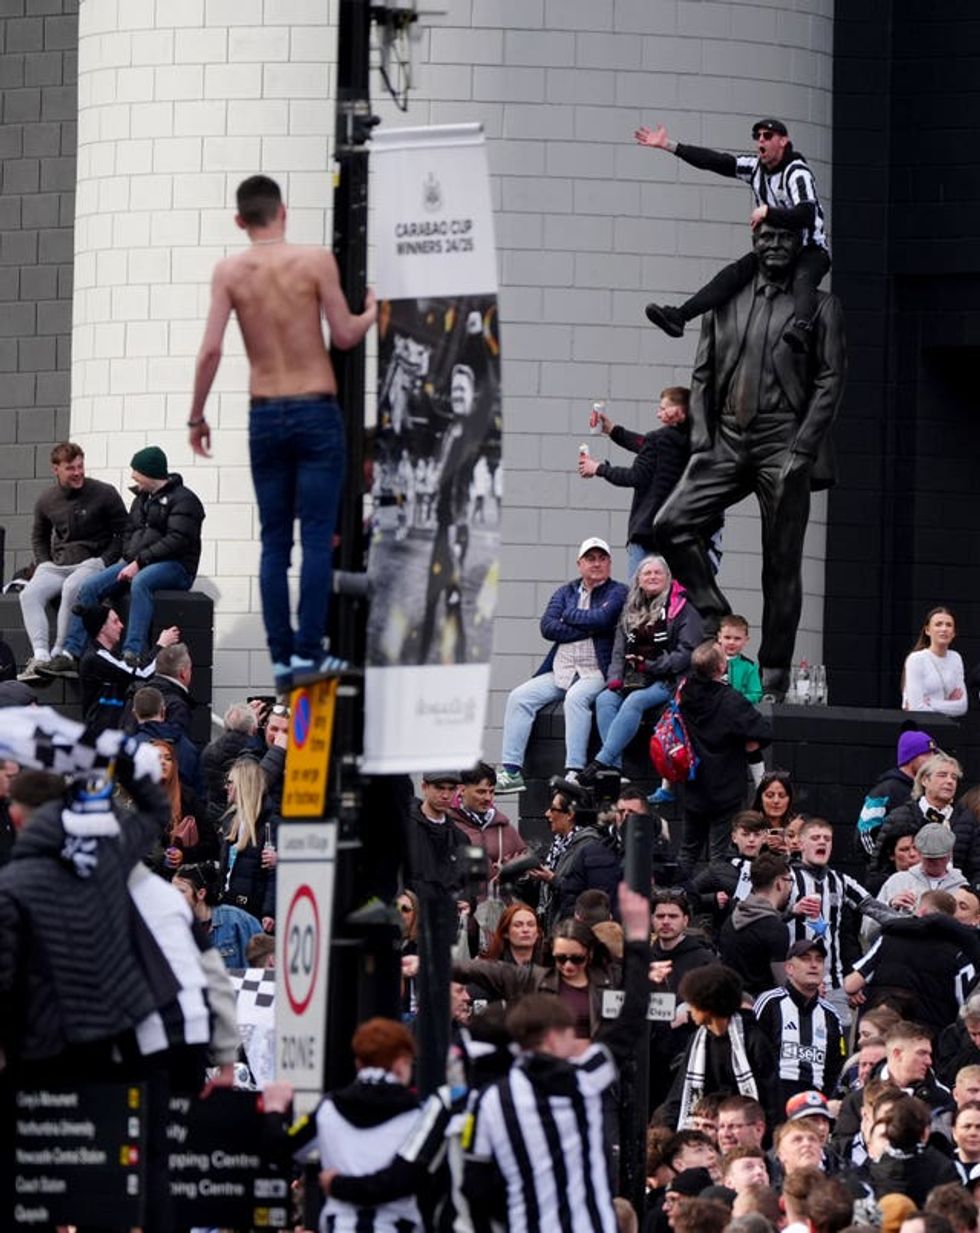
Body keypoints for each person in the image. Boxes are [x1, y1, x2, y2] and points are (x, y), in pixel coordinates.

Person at [188, 174, 377, 691]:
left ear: (239, 220)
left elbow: (210, 350)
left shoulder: (230, 271)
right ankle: (308, 653)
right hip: (316, 409)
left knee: (274, 543)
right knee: (316, 538)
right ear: (284, 211)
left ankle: (281, 659)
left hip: (265, 411)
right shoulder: (315, 260)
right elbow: (342, 334)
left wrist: (197, 415)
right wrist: (372, 313)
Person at [651, 221, 845, 702]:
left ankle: (774, 672)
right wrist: (702, 442)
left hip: (784, 441)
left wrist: (803, 448)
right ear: (754, 243)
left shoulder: (819, 306)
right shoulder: (725, 303)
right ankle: (715, 615)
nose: (775, 245)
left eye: (785, 237)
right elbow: (702, 376)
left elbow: (830, 379)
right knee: (670, 522)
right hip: (729, 440)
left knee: (780, 564)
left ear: (800, 245)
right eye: (767, 237)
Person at [461, 884, 655, 1233]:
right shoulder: (586, 1076)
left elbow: (474, 1181)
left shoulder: (491, 1099)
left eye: (575, 958)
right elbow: (631, 1020)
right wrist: (639, 937)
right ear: (552, 1037)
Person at [635, 117, 830, 351]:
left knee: (803, 278)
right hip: (774, 251)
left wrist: (768, 212)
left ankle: (802, 329)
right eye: (757, 137)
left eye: (767, 137)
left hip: (809, 250)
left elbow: (806, 214)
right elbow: (715, 161)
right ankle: (679, 317)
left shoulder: (797, 172)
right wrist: (670, 145)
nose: (761, 141)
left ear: (783, 141)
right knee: (733, 275)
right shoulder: (756, 168)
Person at [41, 446, 205, 674]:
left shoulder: (185, 501)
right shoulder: (141, 499)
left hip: (176, 567)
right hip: (138, 561)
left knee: (141, 582)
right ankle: (71, 652)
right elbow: (128, 532)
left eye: (136, 472)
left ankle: (133, 651)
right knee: (89, 587)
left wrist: (139, 563)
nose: (133, 477)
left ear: (149, 474)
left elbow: (177, 540)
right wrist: (129, 558)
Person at [496, 537, 628, 793]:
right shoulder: (565, 591)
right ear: (579, 563)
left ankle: (574, 770)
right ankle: (512, 771)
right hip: (562, 671)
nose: (597, 563)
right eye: (591, 558)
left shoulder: (618, 591)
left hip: (596, 671)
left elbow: (603, 618)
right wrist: (589, 628)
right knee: (518, 697)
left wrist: (569, 616)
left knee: (576, 698)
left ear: (610, 563)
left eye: (602, 558)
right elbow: (547, 627)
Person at [579, 555, 702, 781]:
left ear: (667, 578)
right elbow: (618, 650)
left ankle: (602, 761)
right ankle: (614, 769)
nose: (652, 577)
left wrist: (651, 666)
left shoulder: (682, 608)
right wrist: (614, 678)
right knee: (605, 699)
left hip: (668, 679)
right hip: (633, 676)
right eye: (647, 573)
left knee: (635, 701)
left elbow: (686, 653)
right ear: (639, 579)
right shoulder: (630, 609)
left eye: (658, 573)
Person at [17, 440, 128, 681]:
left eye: (80, 466)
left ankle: (60, 654)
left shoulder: (104, 493)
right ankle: (41, 656)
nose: (78, 473)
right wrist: (45, 562)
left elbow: (125, 532)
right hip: (57, 565)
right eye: (71, 468)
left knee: (71, 588)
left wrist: (106, 560)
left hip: (92, 562)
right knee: (28, 594)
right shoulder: (46, 500)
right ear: (55, 469)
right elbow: (38, 535)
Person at [305, 1017, 424, 1232]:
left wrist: (276, 1112)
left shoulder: (328, 1108)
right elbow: (402, 1180)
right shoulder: (418, 1115)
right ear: (400, 1064)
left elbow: (284, 1146)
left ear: (358, 1063)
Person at [784, 817, 897, 1026]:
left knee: (839, 1045)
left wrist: (914, 923)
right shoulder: (786, 877)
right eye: (815, 838)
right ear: (800, 844)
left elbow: (873, 908)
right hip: (793, 981)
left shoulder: (840, 880)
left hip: (833, 984)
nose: (822, 842)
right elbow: (764, 915)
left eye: (827, 838)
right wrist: (792, 910)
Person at [578, 388, 695, 578]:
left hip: (646, 531)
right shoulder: (694, 443)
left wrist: (598, 468)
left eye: (664, 409)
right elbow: (645, 445)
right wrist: (613, 431)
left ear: (680, 410)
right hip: (675, 534)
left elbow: (635, 476)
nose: (659, 414)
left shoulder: (658, 439)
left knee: (638, 599)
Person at [678, 641, 772, 864]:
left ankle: (678, 896)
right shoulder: (730, 700)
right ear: (721, 668)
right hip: (725, 786)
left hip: (692, 783)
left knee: (688, 851)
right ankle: (717, 898)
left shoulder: (683, 693)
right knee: (721, 855)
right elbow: (762, 732)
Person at [455, 917, 620, 1042]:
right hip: (553, 1071)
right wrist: (446, 968)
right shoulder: (539, 979)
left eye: (577, 959)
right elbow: (493, 971)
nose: (568, 965)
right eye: (561, 959)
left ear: (590, 954)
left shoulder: (611, 980)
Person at [656, 964, 781, 1129]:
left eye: (693, 1003)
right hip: (703, 1129)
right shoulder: (698, 1040)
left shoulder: (753, 1039)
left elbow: (771, 1096)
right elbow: (678, 1094)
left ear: (709, 1004)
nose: (690, 1009)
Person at [844, 890, 980, 1035]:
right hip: (927, 1043)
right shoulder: (958, 954)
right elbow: (964, 1007)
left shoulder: (889, 938)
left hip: (882, 1036)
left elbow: (850, 985)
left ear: (920, 910)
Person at [753, 939, 845, 1104]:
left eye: (819, 960)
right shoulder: (769, 1002)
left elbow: (835, 1066)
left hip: (815, 1103)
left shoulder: (831, 1014)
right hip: (774, 1101)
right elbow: (754, 1055)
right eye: (805, 959)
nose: (814, 965)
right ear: (789, 968)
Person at [72, 601, 180, 737]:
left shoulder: (110, 656)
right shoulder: (97, 657)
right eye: (115, 622)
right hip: (102, 737)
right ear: (102, 627)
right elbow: (143, 673)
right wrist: (161, 645)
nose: (121, 626)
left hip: (112, 734)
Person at [873, 755, 980, 884]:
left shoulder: (967, 820)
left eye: (954, 777)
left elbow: (976, 869)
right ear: (925, 780)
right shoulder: (900, 817)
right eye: (942, 775)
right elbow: (878, 868)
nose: (950, 781)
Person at [856, 729, 938, 861]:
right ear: (911, 757)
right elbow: (865, 835)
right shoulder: (884, 791)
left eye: (934, 753)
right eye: (927, 754)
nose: (933, 759)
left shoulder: (927, 791)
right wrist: (885, 864)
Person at [719, 853, 793, 997]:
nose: (790, 887)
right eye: (789, 880)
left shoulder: (730, 921)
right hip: (762, 1010)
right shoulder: (776, 929)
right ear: (779, 883)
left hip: (729, 1005)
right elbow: (783, 983)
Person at [219, 756, 280, 930]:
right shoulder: (231, 821)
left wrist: (270, 911)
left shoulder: (269, 823)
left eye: (230, 782)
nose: (226, 787)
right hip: (227, 906)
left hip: (253, 914)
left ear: (243, 785)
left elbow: (273, 874)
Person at [171, 863, 263, 971]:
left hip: (235, 986)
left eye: (181, 891)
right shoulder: (172, 926)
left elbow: (264, 959)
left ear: (201, 894)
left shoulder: (237, 920)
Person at [147, 739, 214, 873]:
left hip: (175, 879)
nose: (163, 762)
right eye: (157, 758)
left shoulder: (187, 798)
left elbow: (211, 844)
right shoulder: (133, 796)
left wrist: (184, 855)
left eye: (168, 758)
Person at [876, 822, 968, 910]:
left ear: (949, 855)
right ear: (920, 853)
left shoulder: (961, 887)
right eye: (929, 858)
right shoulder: (898, 881)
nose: (935, 862)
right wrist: (890, 905)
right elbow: (870, 921)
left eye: (939, 857)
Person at [902, 607, 967, 716]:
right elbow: (915, 707)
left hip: (946, 728)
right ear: (927, 630)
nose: (944, 629)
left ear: (954, 633)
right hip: (920, 728)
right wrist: (948, 704)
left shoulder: (955, 658)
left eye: (949, 625)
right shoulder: (916, 659)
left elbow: (962, 706)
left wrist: (931, 702)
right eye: (938, 624)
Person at [718, 615, 763, 705]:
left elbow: (756, 694)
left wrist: (735, 699)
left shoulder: (750, 667)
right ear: (719, 637)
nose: (731, 642)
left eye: (737, 638)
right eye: (727, 637)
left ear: (746, 640)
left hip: (739, 713)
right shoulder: (709, 662)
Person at [751, 770, 796, 853]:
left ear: (789, 799)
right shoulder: (747, 825)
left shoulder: (799, 828)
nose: (776, 801)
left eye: (782, 796)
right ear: (760, 799)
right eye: (770, 796)